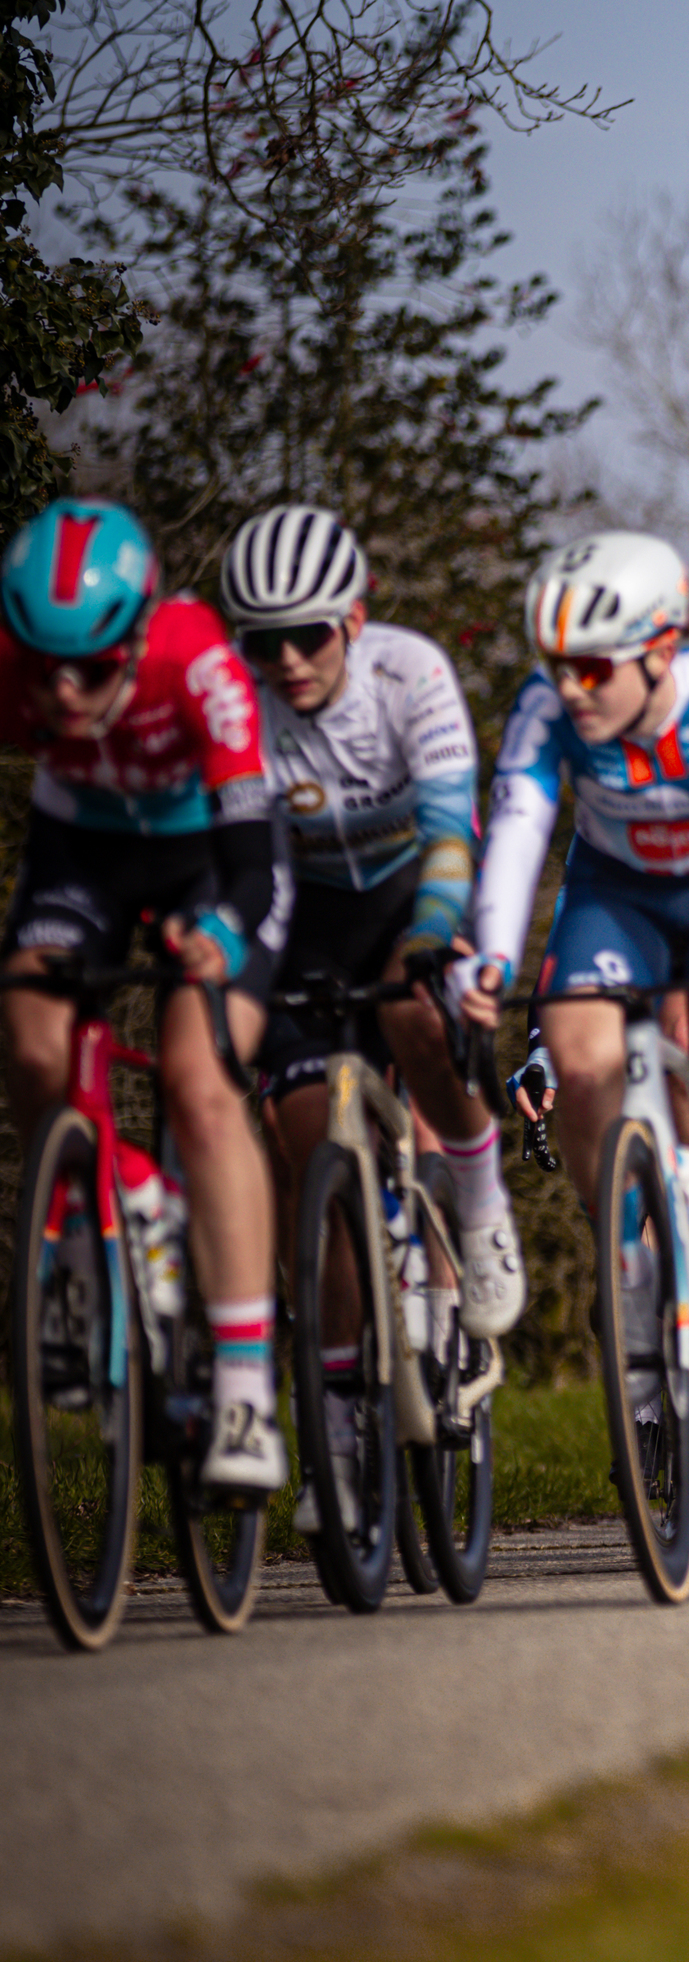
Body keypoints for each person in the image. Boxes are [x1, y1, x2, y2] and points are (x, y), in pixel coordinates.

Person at [450, 529, 689, 1461]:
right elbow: (521, 827)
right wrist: (492, 955)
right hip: (617, 897)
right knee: (577, 1063)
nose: (570, 688)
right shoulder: (547, 706)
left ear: (661, 649)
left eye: (591, 667)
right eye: (557, 666)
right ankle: (631, 1271)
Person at [223, 506, 525, 1529]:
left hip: (413, 892)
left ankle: (478, 1203)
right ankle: (340, 1440)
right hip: (304, 914)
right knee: (316, 1162)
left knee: (411, 1015)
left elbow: (451, 833)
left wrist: (432, 937)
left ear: (353, 619)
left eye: (307, 635)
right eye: (262, 643)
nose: (287, 661)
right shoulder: (246, 708)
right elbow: (244, 867)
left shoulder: (413, 674)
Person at [0, 497, 290, 1492]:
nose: (64, 692)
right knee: (34, 1040)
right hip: (81, 853)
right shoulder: (20, 669)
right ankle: (102, 1217)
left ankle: (247, 1388)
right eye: (44, 667)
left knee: (198, 1082)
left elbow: (255, 864)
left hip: (211, 861)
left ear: (136, 635)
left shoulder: (198, 663)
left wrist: (215, 936)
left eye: (90, 668)